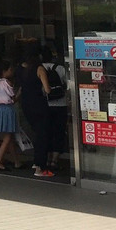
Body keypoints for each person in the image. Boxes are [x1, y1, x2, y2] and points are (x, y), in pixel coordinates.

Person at [17, 41, 53, 178]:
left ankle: (36, 162)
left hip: (26, 105)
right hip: (39, 105)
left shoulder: (20, 69)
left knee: (36, 134)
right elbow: (47, 89)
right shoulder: (39, 69)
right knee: (42, 136)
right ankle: (40, 167)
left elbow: (20, 88)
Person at [0, 59, 21, 170]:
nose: (12, 71)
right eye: (10, 69)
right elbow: (13, 98)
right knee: (8, 136)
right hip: (7, 109)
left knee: (4, 136)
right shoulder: (7, 83)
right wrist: (20, 92)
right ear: (4, 71)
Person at [42, 44, 69, 173]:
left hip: (46, 105)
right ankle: (55, 161)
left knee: (47, 132)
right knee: (59, 132)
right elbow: (68, 85)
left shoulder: (39, 69)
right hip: (61, 105)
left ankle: (46, 159)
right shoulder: (61, 69)